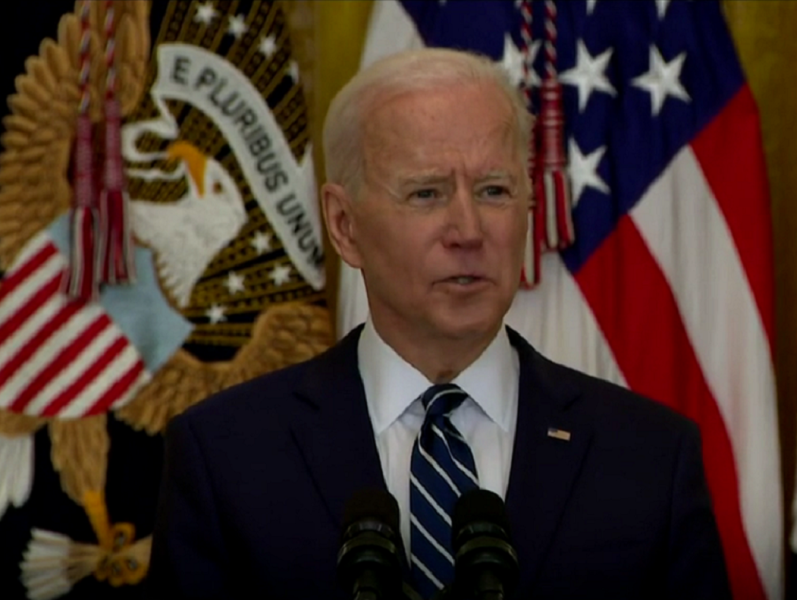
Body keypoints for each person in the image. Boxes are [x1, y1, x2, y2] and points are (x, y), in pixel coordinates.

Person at [146, 48, 732, 600]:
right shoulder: (225, 455)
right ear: (345, 225)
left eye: (494, 190)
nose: (468, 231)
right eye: (426, 193)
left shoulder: (650, 458)